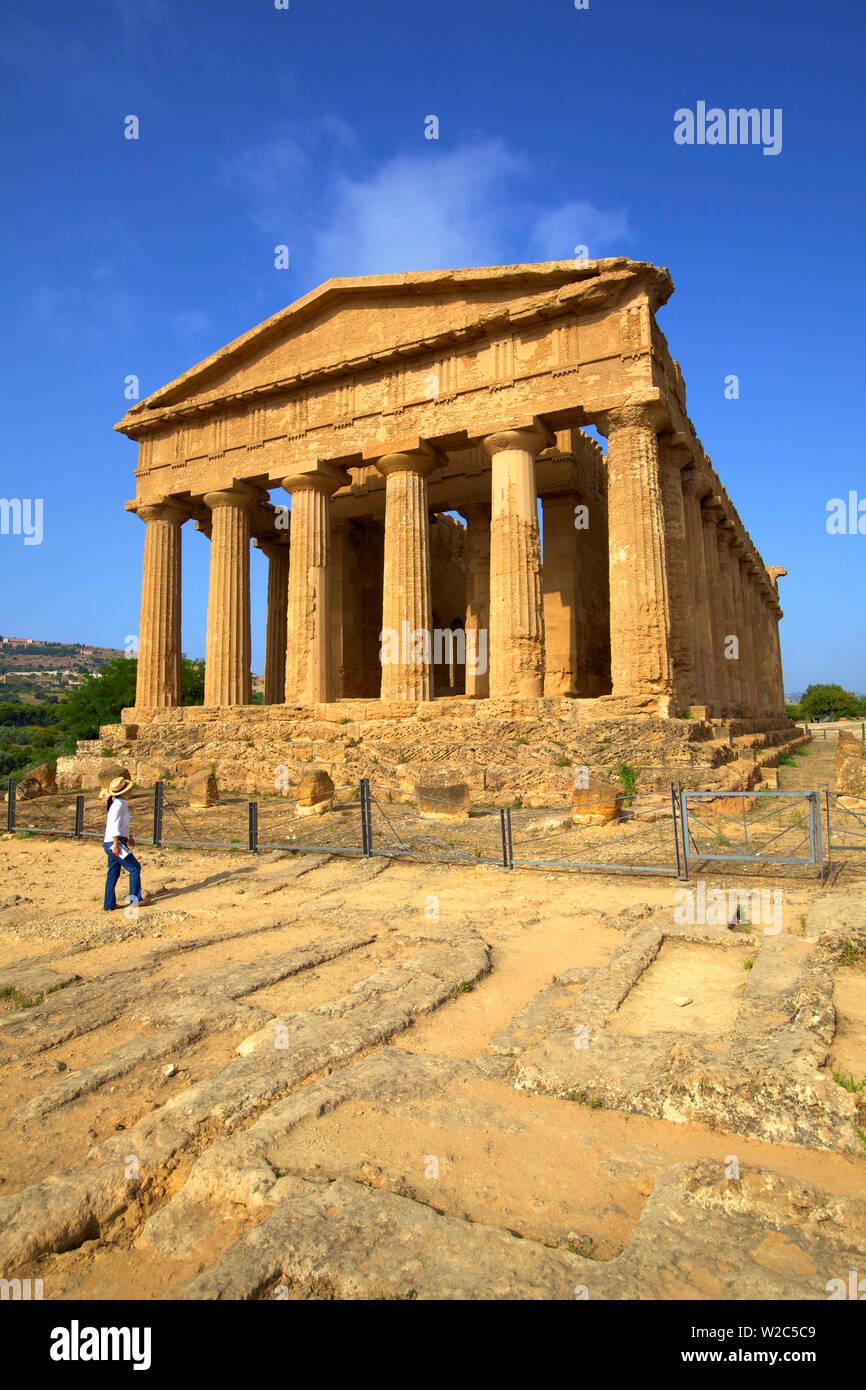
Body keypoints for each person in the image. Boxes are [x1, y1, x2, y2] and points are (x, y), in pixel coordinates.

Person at [99, 775, 149, 912]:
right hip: (114, 843)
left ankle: (109, 904)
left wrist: (128, 837)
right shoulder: (119, 804)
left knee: (113, 873)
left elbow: (121, 825)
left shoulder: (117, 802)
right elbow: (114, 826)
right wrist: (115, 845)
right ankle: (135, 899)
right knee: (135, 868)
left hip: (114, 841)